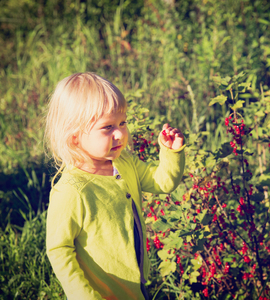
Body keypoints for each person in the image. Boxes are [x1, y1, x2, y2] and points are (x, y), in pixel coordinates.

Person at [44, 72, 185, 300]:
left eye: (122, 122)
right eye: (107, 127)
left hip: (134, 286)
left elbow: (162, 182)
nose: (119, 133)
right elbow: (59, 250)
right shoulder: (71, 190)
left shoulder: (123, 163)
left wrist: (171, 153)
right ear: (75, 138)